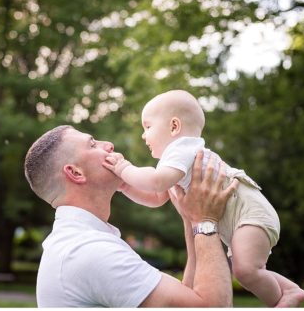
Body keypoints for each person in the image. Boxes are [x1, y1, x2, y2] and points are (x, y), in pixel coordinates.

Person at [100, 90, 304, 307]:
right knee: (246, 270)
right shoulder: (175, 161)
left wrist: (124, 169)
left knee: (245, 270)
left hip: (250, 212)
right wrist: (125, 186)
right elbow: (157, 197)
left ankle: (286, 297)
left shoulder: (182, 148)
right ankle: (288, 290)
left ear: (174, 127)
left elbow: (156, 182)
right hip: (243, 217)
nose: (143, 135)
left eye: (148, 127)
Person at [24, 125, 236, 307]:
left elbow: (187, 299)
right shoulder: (90, 252)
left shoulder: (81, 242)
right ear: (76, 173)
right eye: (92, 144)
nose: (108, 144)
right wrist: (205, 222)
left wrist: (192, 220)